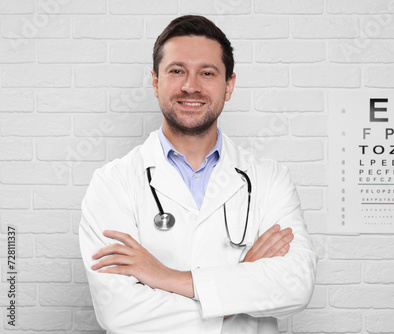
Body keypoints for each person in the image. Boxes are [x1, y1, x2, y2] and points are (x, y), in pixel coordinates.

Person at [79, 15, 317, 334]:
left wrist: (167, 277)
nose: (191, 86)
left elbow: (295, 284)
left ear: (229, 85)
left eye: (207, 72)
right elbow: (119, 312)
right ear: (155, 82)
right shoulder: (113, 183)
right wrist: (235, 288)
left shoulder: (269, 178)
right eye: (177, 71)